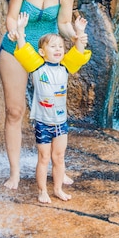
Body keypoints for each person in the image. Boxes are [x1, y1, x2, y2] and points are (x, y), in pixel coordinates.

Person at [0, 0, 86, 190]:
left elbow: (62, 23)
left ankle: (60, 169)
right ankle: (14, 173)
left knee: (54, 111)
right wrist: (15, 31)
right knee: (15, 111)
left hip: (47, 56)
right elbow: (12, 16)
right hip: (17, 47)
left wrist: (75, 34)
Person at [13, 11, 91, 203]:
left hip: (61, 122)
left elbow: (79, 52)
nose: (58, 49)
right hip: (43, 122)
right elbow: (23, 50)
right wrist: (21, 30)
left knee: (59, 156)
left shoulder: (65, 67)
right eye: (53, 46)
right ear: (42, 51)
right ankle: (42, 191)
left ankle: (57, 189)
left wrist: (79, 32)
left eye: (61, 47)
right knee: (44, 157)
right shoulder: (37, 67)